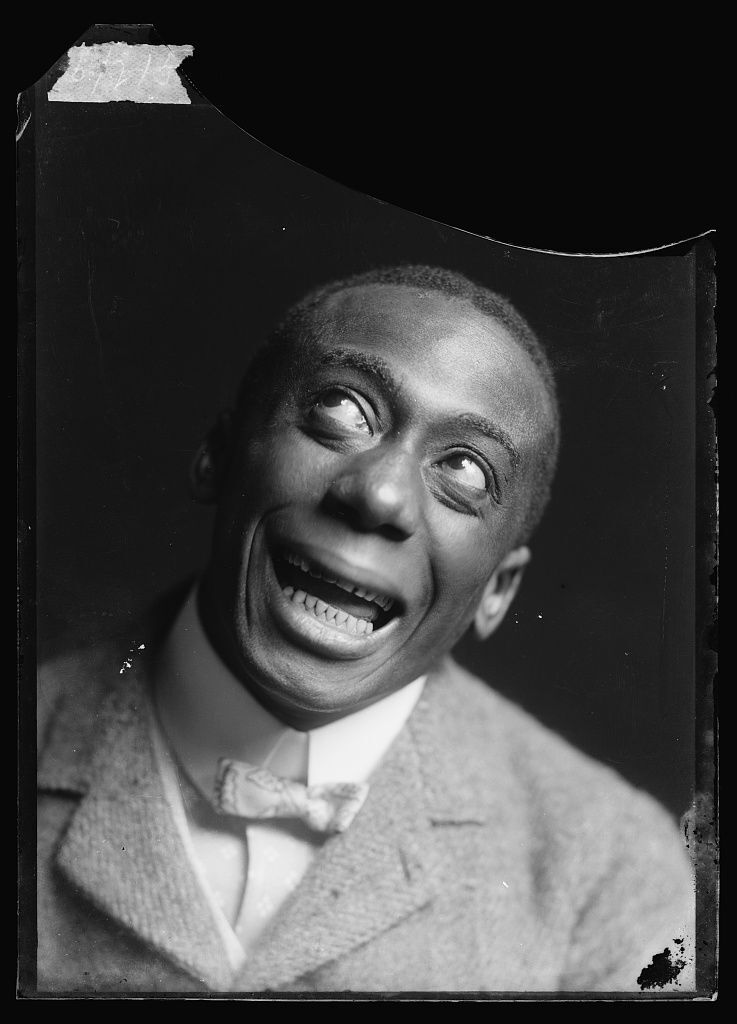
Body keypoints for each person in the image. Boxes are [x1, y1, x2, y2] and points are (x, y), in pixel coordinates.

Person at [37, 265, 694, 994]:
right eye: (342, 410)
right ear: (218, 454)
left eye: (465, 471)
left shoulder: (613, 872)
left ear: (497, 591)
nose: (380, 494)